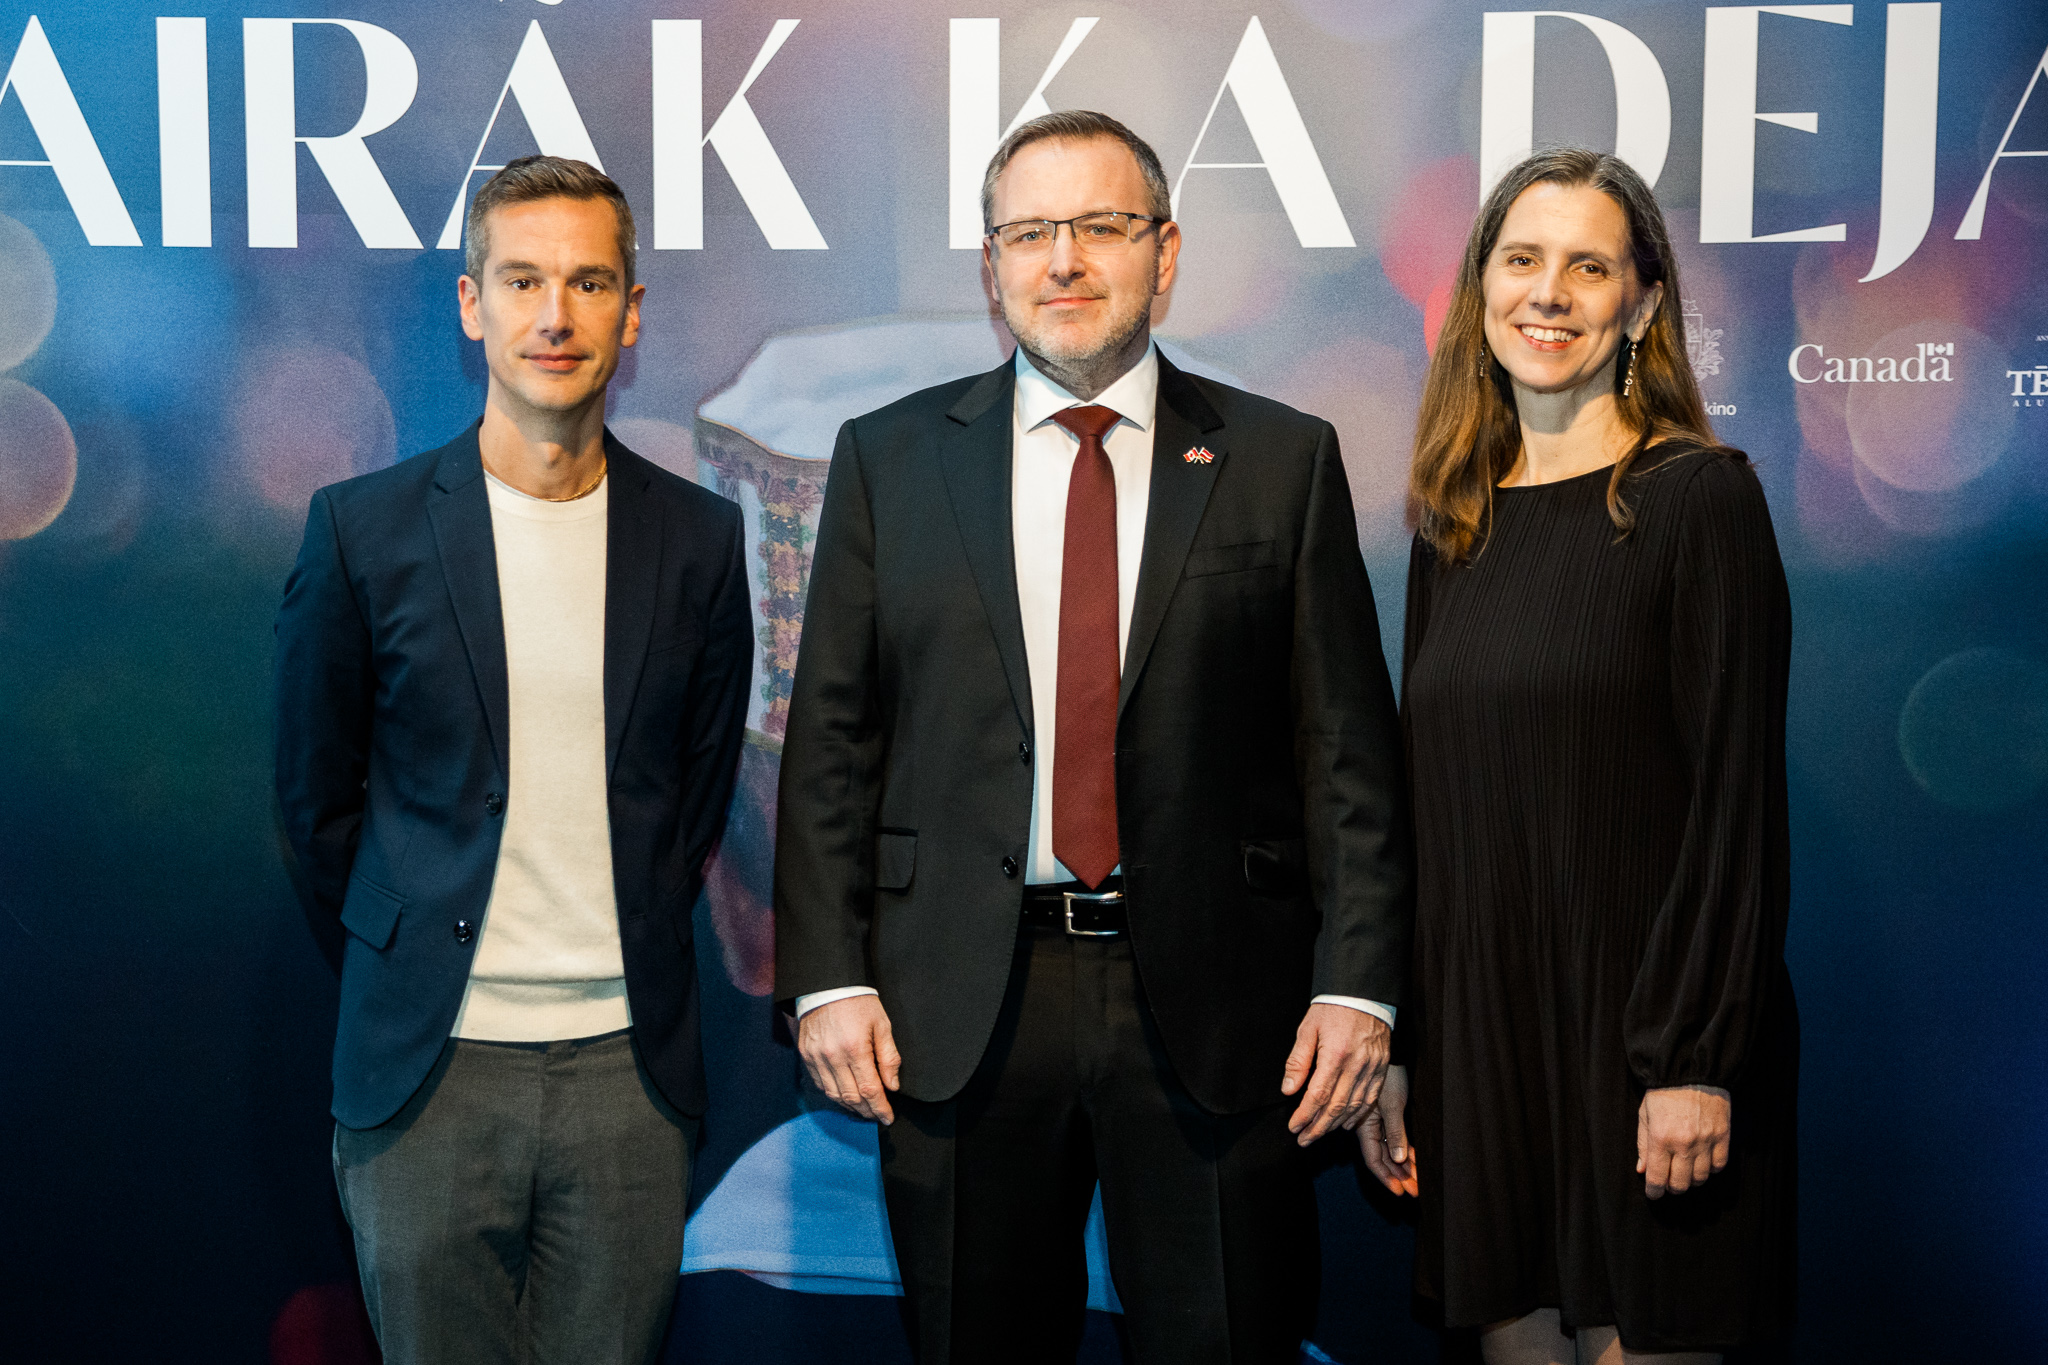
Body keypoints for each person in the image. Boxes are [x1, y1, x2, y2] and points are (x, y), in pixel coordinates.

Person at [773, 110, 1413, 1363]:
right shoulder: (888, 460)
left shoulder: (1279, 460)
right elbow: (833, 743)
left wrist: (1357, 987)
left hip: (1220, 1013)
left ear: (1164, 253)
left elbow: (1346, 758)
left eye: (1100, 227)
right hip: (957, 1009)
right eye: (1029, 233)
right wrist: (828, 977)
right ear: (989, 267)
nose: (1062, 259)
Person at [273, 155, 753, 1364]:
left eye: (588, 282)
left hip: (629, 1078)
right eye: (523, 280)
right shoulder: (362, 531)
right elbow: (314, 804)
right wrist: (410, 946)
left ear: (631, 313)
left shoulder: (700, 540)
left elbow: (693, 795)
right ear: (470, 303)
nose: (555, 314)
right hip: (427, 1077)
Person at [1358, 148, 1798, 1364]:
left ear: (1641, 304)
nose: (1547, 293)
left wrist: (1693, 1063)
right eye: (1521, 260)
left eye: (1588, 267)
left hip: (1649, 1052)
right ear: (1479, 289)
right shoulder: (1452, 522)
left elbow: (1732, 812)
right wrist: (1404, 1049)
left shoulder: (1700, 500)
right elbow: (1421, 813)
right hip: (1485, 1052)